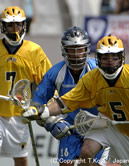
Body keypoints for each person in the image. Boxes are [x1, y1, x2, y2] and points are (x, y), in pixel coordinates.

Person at [22, 34, 129, 166]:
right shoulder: (92, 78)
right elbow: (67, 102)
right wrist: (43, 110)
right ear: (98, 58)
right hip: (106, 123)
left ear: (122, 58)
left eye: (114, 57)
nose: (110, 62)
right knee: (86, 152)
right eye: (105, 57)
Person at [32, 26, 109, 166]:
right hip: (70, 127)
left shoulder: (99, 71)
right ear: (64, 51)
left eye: (79, 50)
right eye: (71, 50)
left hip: (97, 127)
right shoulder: (54, 73)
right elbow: (37, 104)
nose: (76, 55)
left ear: (86, 49)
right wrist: (52, 122)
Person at [0, 6, 52, 166]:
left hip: (20, 113)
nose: (14, 29)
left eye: (18, 25)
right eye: (10, 25)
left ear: (24, 26)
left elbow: (48, 82)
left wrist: (43, 106)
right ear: (3, 27)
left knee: (21, 159)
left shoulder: (33, 51)